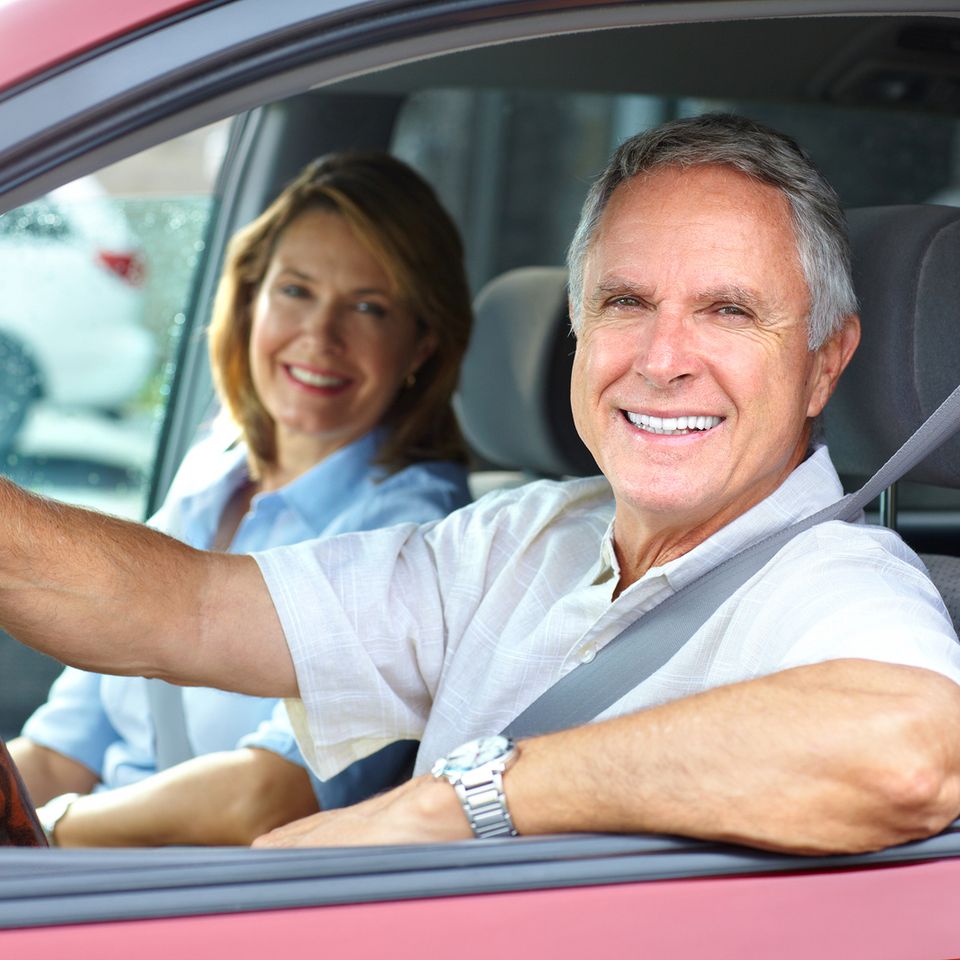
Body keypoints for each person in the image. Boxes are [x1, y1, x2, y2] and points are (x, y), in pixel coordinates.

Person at [3, 113, 960, 856]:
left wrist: (463, 799)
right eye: (625, 303)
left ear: (826, 364)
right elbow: (196, 610)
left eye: (729, 311)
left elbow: (912, 751)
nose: (664, 359)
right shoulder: (521, 539)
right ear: (577, 332)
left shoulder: (836, 581)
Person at [7, 151, 473, 846]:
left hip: (205, 897)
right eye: (296, 291)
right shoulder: (210, 478)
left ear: (421, 345)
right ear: (250, 299)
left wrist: (47, 835)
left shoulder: (419, 540)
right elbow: (58, 752)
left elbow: (261, 798)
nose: (320, 335)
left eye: (369, 307)